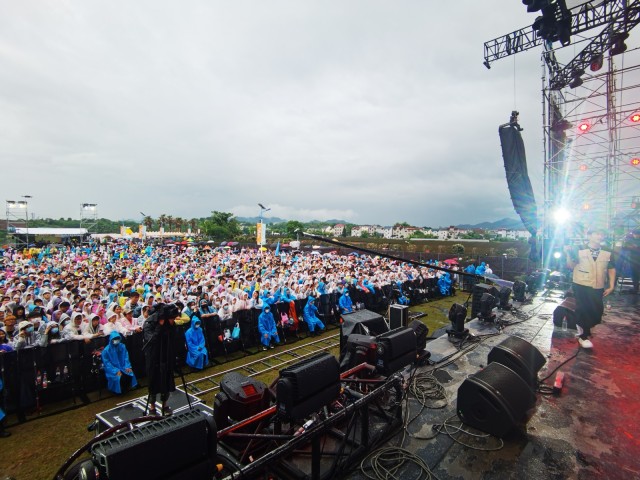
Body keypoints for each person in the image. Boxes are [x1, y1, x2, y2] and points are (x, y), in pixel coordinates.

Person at [566, 226, 616, 349]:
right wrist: (567, 253)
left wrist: (611, 285)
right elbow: (570, 266)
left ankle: (584, 328)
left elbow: (611, 268)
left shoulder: (607, 251)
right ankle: (583, 336)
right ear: (589, 236)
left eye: (601, 234)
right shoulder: (579, 249)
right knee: (583, 309)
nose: (600, 236)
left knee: (597, 311)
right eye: (596, 233)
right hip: (581, 284)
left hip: (598, 285)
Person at [142, 303, 180, 416]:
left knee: (166, 378)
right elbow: (151, 340)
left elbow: (173, 337)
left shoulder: (168, 324)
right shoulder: (148, 323)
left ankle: (165, 404)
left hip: (165, 355)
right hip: (153, 357)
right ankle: (152, 407)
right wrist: (159, 325)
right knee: (153, 380)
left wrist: (170, 324)